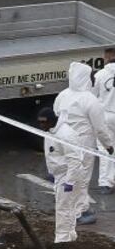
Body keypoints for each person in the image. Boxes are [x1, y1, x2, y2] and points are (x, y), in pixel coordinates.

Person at [54, 62, 114, 225]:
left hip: (63, 142)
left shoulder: (63, 95)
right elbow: (100, 128)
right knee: (81, 178)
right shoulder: (90, 100)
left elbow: (56, 112)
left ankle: (75, 207)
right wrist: (108, 145)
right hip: (83, 144)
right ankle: (78, 212)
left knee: (68, 176)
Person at [38, 107, 82, 243]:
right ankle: (70, 236)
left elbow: (75, 159)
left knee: (63, 208)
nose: (41, 125)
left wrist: (70, 181)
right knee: (67, 207)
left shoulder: (66, 134)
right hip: (60, 174)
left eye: (44, 122)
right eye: (40, 122)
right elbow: (53, 154)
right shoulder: (51, 131)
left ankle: (62, 240)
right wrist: (52, 172)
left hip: (68, 174)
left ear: (52, 121)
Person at [92, 48, 115, 195]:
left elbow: (93, 98)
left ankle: (106, 183)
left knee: (105, 148)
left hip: (105, 116)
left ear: (106, 58)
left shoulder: (100, 75)